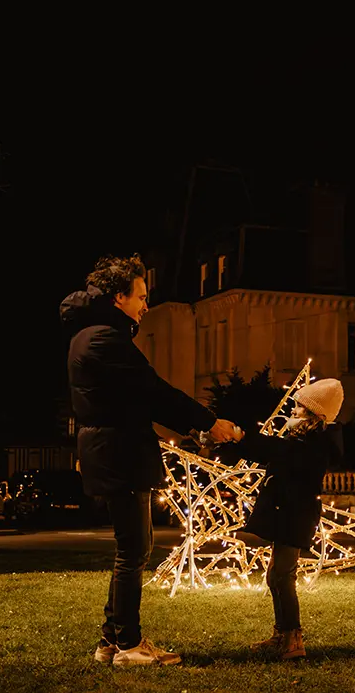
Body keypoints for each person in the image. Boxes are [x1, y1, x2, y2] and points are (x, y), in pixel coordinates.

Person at [61, 254, 239, 667]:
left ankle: (111, 640)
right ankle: (128, 644)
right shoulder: (105, 339)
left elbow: (140, 395)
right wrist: (209, 423)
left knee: (132, 548)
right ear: (118, 296)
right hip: (119, 452)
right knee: (135, 549)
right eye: (140, 296)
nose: (145, 304)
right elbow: (153, 392)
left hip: (113, 450)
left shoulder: (91, 335)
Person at [213, 378, 344, 659]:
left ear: (315, 414)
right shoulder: (305, 440)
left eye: (300, 407)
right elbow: (270, 451)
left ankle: (292, 640)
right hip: (290, 514)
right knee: (277, 576)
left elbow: (274, 451)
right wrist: (234, 443)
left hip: (295, 516)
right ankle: (284, 634)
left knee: (282, 576)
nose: (293, 411)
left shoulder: (313, 444)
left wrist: (240, 436)